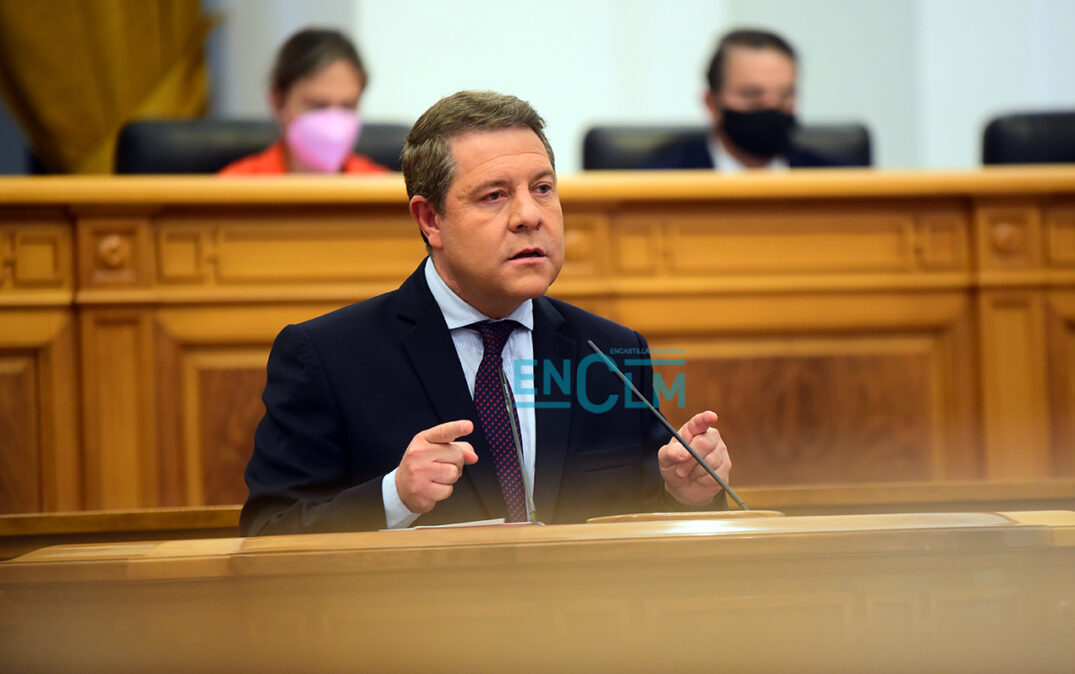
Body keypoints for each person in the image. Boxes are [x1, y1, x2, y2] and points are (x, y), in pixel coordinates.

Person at [240, 90, 732, 535]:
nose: (529, 216)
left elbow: (637, 526)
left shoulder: (609, 353)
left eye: (542, 188)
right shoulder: (328, 358)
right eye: (494, 196)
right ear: (430, 220)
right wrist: (394, 497)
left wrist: (685, 494)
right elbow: (267, 534)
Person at [643, 28, 839, 171]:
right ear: (711, 104)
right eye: (752, 95)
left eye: (784, 95)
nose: (771, 105)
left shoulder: (838, 180)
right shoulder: (660, 181)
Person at [219, 28, 388, 175]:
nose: (333, 124)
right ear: (279, 102)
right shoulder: (233, 189)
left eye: (347, 106)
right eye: (318, 105)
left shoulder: (385, 191)